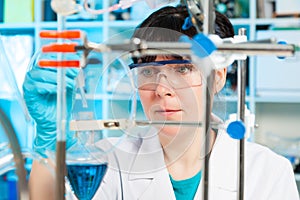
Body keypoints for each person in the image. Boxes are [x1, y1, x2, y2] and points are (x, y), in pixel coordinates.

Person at [23, 5, 299, 200]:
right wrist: (50, 137)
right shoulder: (107, 161)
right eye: (148, 71)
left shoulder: (267, 172)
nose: (162, 89)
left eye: (182, 69)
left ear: (217, 78)